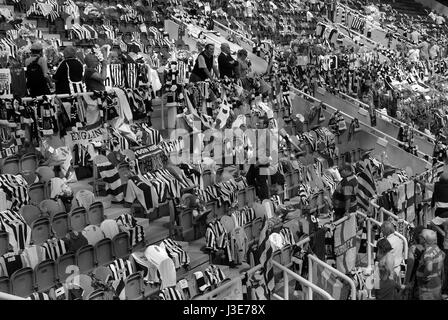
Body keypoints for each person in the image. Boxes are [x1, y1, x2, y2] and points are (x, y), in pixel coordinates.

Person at [416, 229, 445, 300]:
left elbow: (429, 268)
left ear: (424, 239)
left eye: (420, 236)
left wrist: (425, 275)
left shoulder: (428, 252)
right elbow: (443, 255)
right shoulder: (436, 248)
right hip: (436, 284)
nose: (419, 237)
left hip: (428, 289)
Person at [403, 226, 425, 300]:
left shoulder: (413, 248)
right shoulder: (431, 248)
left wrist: (406, 283)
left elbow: (410, 267)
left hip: (415, 280)